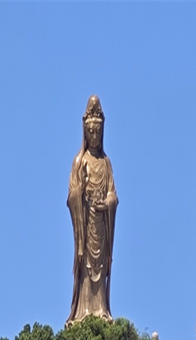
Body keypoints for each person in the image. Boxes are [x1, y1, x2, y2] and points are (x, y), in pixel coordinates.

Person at [65, 95, 118, 327]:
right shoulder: (79, 161)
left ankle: (101, 308)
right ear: (85, 133)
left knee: (101, 265)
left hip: (101, 225)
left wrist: (108, 203)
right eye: (91, 133)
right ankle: (84, 310)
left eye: (98, 133)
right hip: (85, 226)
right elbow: (71, 196)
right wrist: (82, 192)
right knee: (86, 266)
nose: (94, 137)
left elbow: (113, 195)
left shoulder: (106, 163)